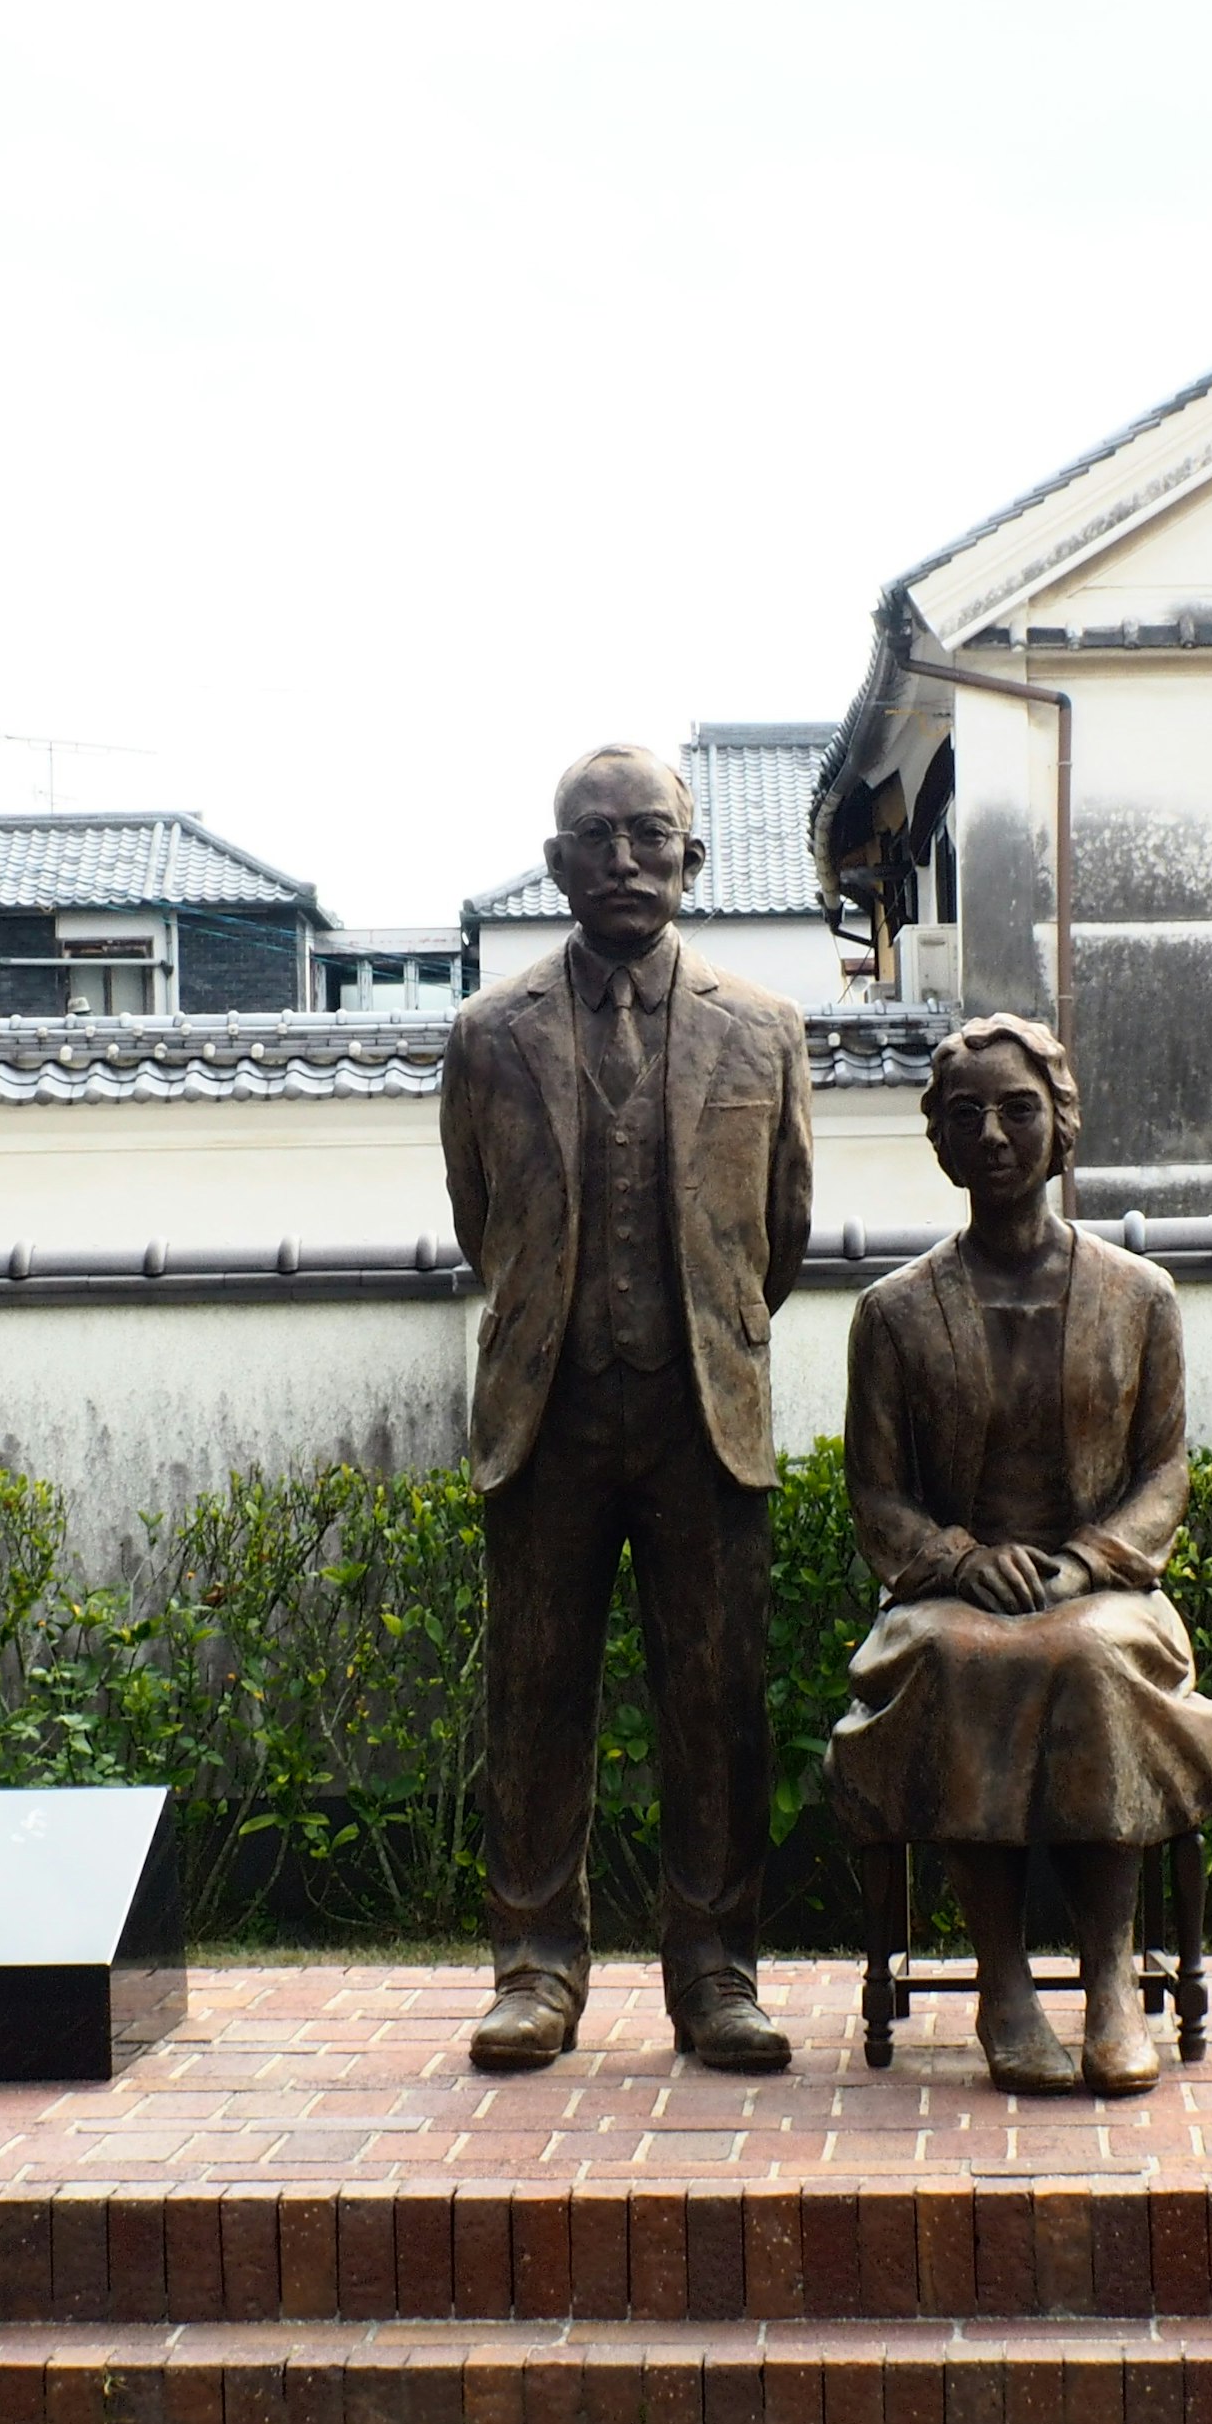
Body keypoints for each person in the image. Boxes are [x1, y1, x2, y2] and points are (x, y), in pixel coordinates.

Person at [439, 744, 816, 2073]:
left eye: (647, 836)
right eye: (593, 838)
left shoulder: (767, 1032)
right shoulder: (486, 1038)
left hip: (702, 1411)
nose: (621, 861)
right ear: (553, 866)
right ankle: (534, 1969)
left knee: (715, 1706)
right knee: (535, 1696)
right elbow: (482, 1218)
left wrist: (694, 1330)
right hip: (544, 1411)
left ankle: (717, 1974)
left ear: (691, 860)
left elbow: (784, 1231)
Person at [825, 1015, 1212, 2095]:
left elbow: (1165, 1472)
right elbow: (877, 1493)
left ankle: (1111, 1977)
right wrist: (960, 1558)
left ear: (1062, 1126)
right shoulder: (895, 1314)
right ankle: (1002, 1982)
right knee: (970, 1657)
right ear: (941, 1142)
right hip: (948, 1603)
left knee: (1089, 1656)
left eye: (1019, 1109)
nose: (995, 1135)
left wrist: (1089, 1560)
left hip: (1102, 1596)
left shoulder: (1139, 1297)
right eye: (965, 1116)